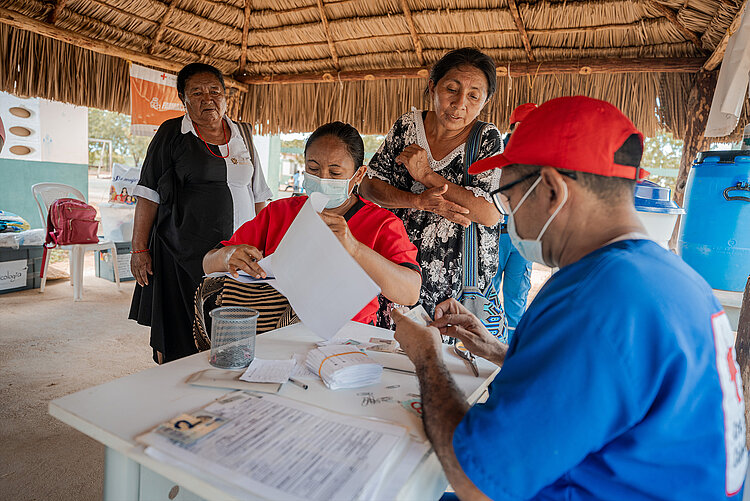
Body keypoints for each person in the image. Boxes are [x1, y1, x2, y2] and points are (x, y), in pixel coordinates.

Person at [391, 96, 747, 500]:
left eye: (508, 197)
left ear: (551, 190)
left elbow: (477, 483)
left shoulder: (596, 300)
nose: (507, 216)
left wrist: (427, 358)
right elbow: (610, 387)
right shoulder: (667, 277)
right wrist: (497, 350)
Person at [203, 122, 422, 325]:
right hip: (274, 330)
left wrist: (355, 248)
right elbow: (208, 263)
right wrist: (228, 256)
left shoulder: (382, 224)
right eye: (314, 169)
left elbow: (410, 292)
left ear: (358, 175)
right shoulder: (279, 213)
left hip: (347, 338)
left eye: (335, 172)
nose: (323, 179)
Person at [129, 62, 273, 364]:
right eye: (197, 93)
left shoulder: (242, 133)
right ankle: (175, 385)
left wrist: (267, 245)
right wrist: (138, 248)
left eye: (214, 92)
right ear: (184, 99)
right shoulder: (172, 133)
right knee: (182, 327)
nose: (208, 99)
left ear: (225, 96)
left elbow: (259, 192)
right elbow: (148, 193)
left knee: (230, 320)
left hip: (238, 248)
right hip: (181, 250)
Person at [360, 48, 503, 321]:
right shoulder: (407, 127)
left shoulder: (486, 139)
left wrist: (427, 175)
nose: (460, 103)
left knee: (442, 359)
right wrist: (416, 201)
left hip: (455, 288)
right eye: (451, 89)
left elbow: (489, 214)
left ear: (485, 101)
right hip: (396, 269)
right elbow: (369, 187)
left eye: (474, 96)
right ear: (432, 86)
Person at [491, 103, 537, 339]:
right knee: (488, 294)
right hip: (494, 236)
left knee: (517, 295)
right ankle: (486, 350)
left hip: (523, 238)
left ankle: (511, 351)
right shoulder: (495, 153)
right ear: (517, 126)